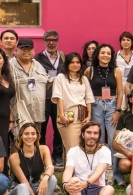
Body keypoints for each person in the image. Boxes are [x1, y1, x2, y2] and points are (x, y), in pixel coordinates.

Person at [61, 122, 116, 195]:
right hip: (78, 188)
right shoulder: (73, 151)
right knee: (74, 180)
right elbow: (68, 170)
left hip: (96, 188)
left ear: (99, 135)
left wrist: (86, 183)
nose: (92, 136)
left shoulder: (105, 150)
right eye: (89, 132)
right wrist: (65, 184)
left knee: (110, 189)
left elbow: (99, 172)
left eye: (95, 133)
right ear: (83, 134)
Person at [6, 123, 57, 195]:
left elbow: (50, 167)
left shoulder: (43, 149)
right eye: (26, 134)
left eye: (33, 134)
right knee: (23, 186)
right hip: (18, 194)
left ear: (37, 135)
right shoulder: (14, 157)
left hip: (36, 188)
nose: (30, 137)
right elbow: (24, 181)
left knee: (52, 178)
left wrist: (45, 178)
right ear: (21, 136)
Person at [84, 44, 123, 183]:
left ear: (112, 56)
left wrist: (118, 110)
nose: (105, 55)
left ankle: (114, 174)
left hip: (112, 106)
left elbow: (120, 92)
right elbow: (85, 89)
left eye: (108, 53)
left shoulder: (116, 71)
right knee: (97, 139)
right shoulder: (90, 70)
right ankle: (98, 174)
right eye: (102, 53)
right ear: (97, 54)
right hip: (96, 106)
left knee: (113, 140)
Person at [52, 52, 94, 164]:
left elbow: (89, 98)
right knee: (72, 149)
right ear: (67, 64)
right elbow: (59, 97)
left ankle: (72, 173)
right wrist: (61, 115)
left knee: (80, 149)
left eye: (78, 62)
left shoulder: (83, 79)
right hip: (68, 118)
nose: (75, 65)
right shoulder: (60, 78)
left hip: (83, 118)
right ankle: (71, 173)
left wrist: (89, 116)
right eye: (72, 62)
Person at [35, 30, 65, 165]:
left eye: (54, 40)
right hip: (43, 98)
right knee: (41, 127)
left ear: (58, 41)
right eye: (48, 40)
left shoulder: (63, 57)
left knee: (58, 127)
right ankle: (41, 154)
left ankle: (57, 156)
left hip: (59, 98)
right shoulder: (37, 58)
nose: (51, 43)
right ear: (44, 42)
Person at [8, 38, 49, 137]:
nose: (26, 51)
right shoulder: (9, 65)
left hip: (37, 113)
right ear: (17, 50)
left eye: (29, 48)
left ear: (33, 50)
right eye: (23, 48)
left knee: (35, 141)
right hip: (19, 115)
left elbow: (48, 82)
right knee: (18, 142)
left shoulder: (38, 65)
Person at [116, 31, 133, 110]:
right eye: (123, 40)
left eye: (128, 40)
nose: (126, 42)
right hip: (118, 91)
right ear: (120, 42)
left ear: (132, 42)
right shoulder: (114, 57)